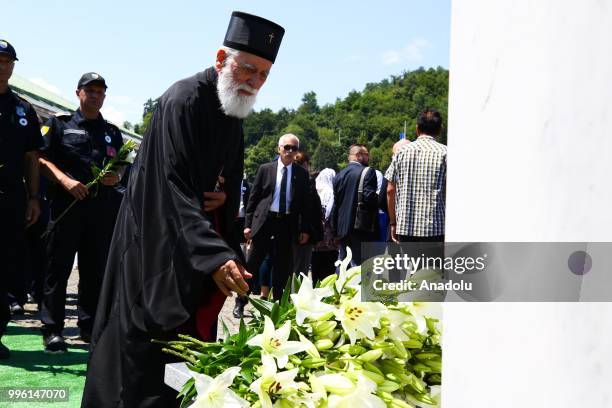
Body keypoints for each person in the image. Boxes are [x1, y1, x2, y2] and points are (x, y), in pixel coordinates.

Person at [81, 11, 285, 408]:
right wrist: (215, 254)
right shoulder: (183, 99)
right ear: (222, 59)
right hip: (156, 245)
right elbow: (168, 186)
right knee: (141, 358)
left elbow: (229, 182)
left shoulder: (234, 110)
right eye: (248, 69)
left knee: (188, 350)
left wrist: (224, 211)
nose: (254, 82)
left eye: (263, 74)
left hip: (195, 244)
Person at [38, 72, 125, 353]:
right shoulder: (60, 125)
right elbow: (41, 158)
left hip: (101, 212)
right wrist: (64, 180)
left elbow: (122, 165)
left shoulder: (112, 131)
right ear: (78, 93)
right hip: (67, 208)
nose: (95, 96)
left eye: (100, 92)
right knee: (58, 269)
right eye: (90, 91)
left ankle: (89, 327)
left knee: (94, 271)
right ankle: (52, 329)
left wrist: (117, 177)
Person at [235, 133, 311, 317]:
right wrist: (248, 225)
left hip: (286, 224)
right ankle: (240, 302)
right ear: (279, 149)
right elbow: (253, 199)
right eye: (287, 147)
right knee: (252, 264)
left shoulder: (301, 174)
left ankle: (277, 308)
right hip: (264, 222)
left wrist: (305, 229)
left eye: (294, 148)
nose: (290, 151)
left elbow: (305, 204)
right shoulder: (265, 169)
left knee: (283, 269)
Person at [0, 39, 43, 359]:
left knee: (7, 265)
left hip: (12, 195)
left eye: (8, 61)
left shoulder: (23, 108)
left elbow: (32, 158)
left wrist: (33, 196)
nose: (3, 66)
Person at [385, 108, 447, 243]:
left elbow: (390, 190)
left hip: (406, 227)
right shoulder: (445, 153)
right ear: (440, 129)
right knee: (432, 264)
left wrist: (393, 222)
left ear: (417, 129)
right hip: (436, 228)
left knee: (410, 264)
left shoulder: (401, 152)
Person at [331, 144, 378, 266]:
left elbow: (335, 205)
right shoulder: (368, 172)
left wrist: (334, 231)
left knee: (343, 264)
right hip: (360, 227)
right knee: (359, 267)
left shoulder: (339, 175)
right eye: (366, 154)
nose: (368, 158)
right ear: (358, 156)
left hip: (342, 228)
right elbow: (369, 199)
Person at [292, 150, 323, 276]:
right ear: (305, 164)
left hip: (289, 230)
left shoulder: (288, 179)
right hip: (304, 232)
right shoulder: (308, 181)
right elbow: (311, 209)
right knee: (300, 270)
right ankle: (295, 295)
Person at [311, 168, 338, 283]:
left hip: (315, 238)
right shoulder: (331, 192)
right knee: (328, 270)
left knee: (315, 267)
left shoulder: (315, 190)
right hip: (329, 239)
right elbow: (331, 214)